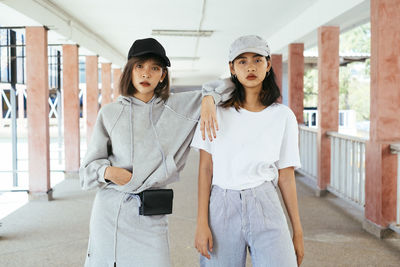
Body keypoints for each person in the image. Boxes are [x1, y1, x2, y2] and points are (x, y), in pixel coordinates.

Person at [79, 37, 230, 267]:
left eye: (154, 68)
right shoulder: (110, 113)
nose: (146, 74)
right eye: (139, 66)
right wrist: (109, 172)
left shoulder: (179, 106)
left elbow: (231, 85)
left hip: (151, 213)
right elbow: (86, 172)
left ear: (163, 75)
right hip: (111, 212)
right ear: (129, 71)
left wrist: (210, 98)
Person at [191, 35, 304, 267]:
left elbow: (286, 175)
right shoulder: (215, 113)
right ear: (231, 68)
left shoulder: (283, 116)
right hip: (221, 205)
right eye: (241, 61)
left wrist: (298, 231)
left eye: (257, 60)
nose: (250, 66)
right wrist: (201, 222)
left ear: (268, 65)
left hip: (265, 202)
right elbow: (205, 168)